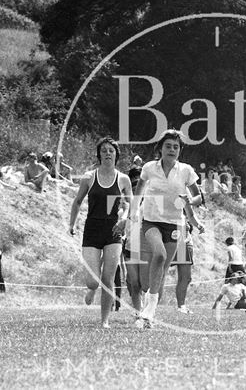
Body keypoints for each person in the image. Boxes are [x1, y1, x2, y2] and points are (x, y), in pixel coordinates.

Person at [130, 129, 202, 329]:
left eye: (176, 147)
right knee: (159, 256)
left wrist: (189, 200)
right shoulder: (149, 168)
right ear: (160, 148)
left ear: (180, 150)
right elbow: (139, 191)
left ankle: (149, 313)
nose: (172, 149)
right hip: (151, 221)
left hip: (175, 224)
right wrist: (134, 212)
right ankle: (149, 308)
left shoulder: (186, 171)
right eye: (168, 146)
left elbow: (198, 197)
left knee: (159, 277)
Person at [69, 137, 131, 328]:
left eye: (111, 150)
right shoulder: (89, 177)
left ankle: (104, 321)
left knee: (108, 278)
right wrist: (71, 225)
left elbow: (130, 203)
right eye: (103, 150)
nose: (107, 153)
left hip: (113, 229)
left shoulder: (123, 179)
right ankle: (91, 289)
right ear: (99, 155)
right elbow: (78, 201)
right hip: (92, 229)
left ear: (116, 155)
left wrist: (125, 218)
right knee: (93, 281)